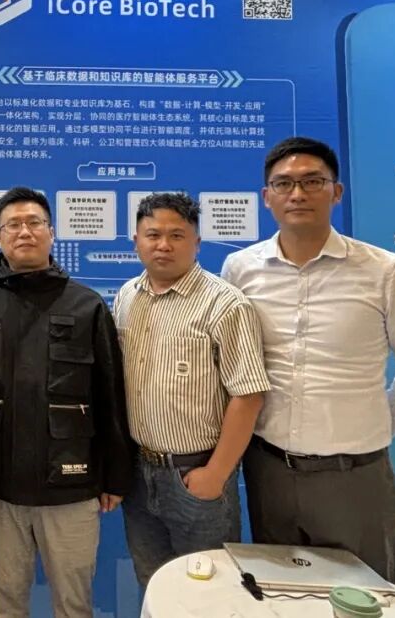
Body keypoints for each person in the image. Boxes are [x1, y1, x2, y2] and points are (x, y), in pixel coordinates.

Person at [222, 136, 395, 582]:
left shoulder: (387, 273)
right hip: (269, 472)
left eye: (312, 181)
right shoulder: (241, 269)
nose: (297, 193)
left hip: (355, 477)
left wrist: (372, 427)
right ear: (267, 196)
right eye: (284, 184)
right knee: (282, 598)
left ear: (336, 191)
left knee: (365, 599)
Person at [0, 187, 134, 618]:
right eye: (13, 225)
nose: (24, 232)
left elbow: (110, 393)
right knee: (6, 600)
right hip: (2, 486)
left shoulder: (86, 304)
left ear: (51, 232)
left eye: (34, 223)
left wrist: (115, 475)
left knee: (74, 603)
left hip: (72, 485)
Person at [114, 192, 269, 586]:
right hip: (139, 473)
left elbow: (249, 395)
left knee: (210, 591)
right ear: (136, 241)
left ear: (196, 243)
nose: (163, 245)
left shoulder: (225, 304)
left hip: (196, 475)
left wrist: (215, 473)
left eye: (177, 235)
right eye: (153, 235)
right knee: (154, 584)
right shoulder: (127, 296)